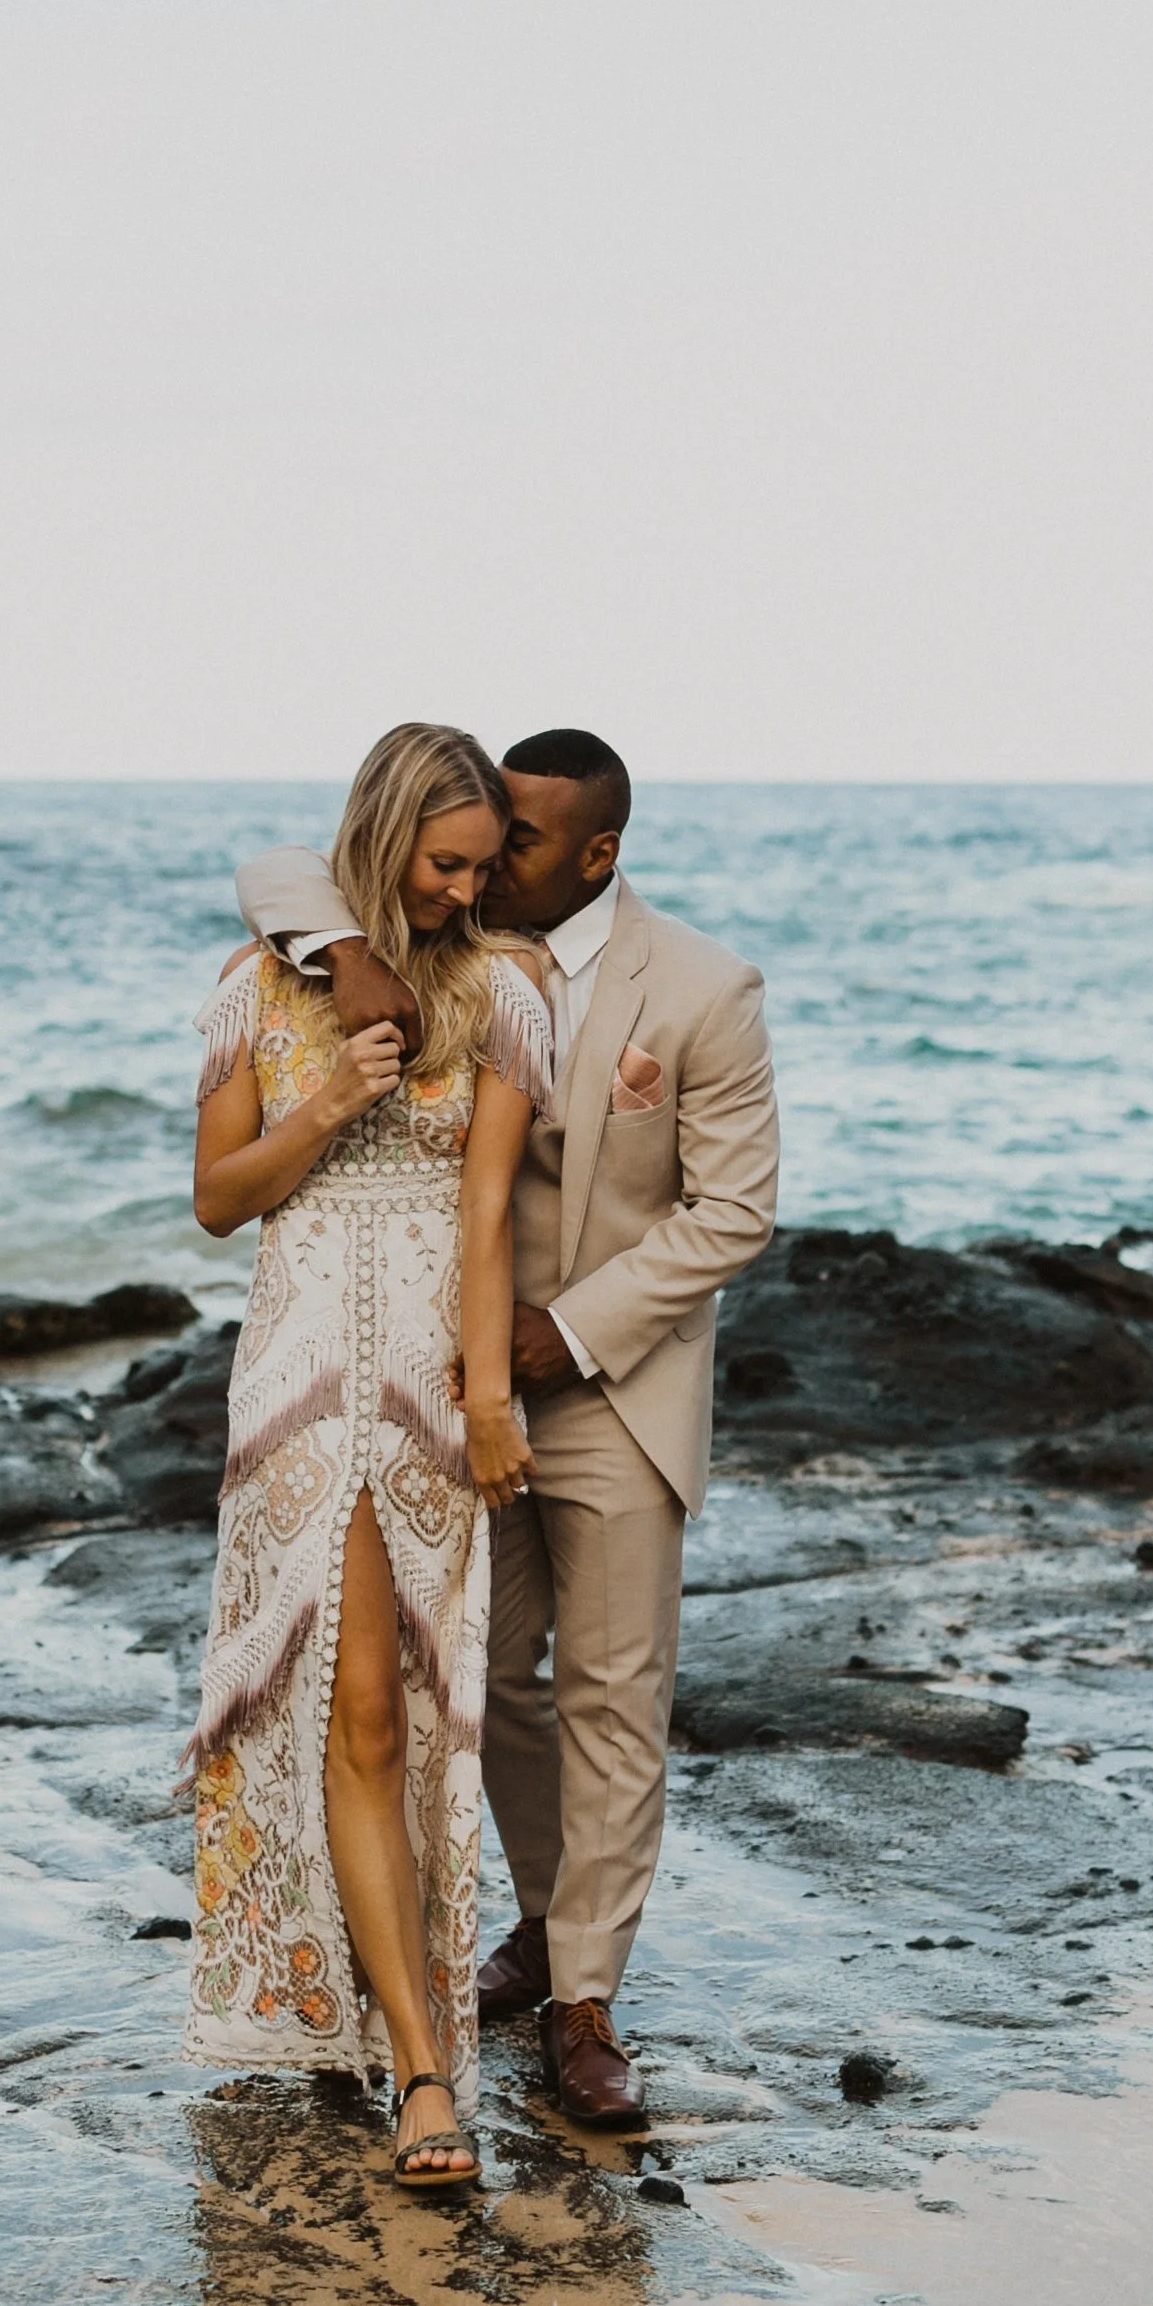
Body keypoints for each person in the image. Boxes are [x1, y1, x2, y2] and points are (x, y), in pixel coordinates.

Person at [235, 729, 778, 2129]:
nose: (493, 868)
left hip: (609, 1381)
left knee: (614, 1691)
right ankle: (542, 1920)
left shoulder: (707, 989)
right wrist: (347, 952)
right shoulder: (433, 932)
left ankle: (585, 1997)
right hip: (432, 1383)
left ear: (597, 851)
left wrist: (568, 1330)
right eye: (478, 844)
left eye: (522, 846)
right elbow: (285, 862)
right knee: (488, 1684)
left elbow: (733, 1211)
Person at [185, 722, 556, 2191]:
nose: (468, 890)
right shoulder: (255, 989)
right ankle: (420, 2069)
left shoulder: (504, 995)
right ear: (384, 835)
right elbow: (219, 1198)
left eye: (484, 865)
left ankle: (394, 2017)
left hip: (417, 1384)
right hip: (291, 1385)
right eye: (446, 861)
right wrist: (333, 1095)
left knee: (418, 1711)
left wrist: (485, 1396)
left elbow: (486, 1221)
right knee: (355, 1716)